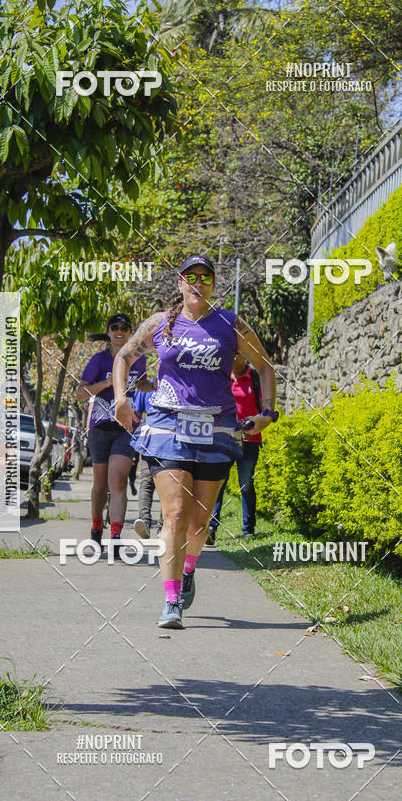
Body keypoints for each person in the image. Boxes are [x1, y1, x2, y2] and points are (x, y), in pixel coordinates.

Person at [113, 254, 278, 629]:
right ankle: (171, 601)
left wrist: (268, 412)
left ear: (213, 284)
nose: (199, 282)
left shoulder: (230, 323)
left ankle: (188, 569)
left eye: (206, 277)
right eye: (191, 276)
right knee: (174, 515)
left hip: (216, 428)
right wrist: (121, 400)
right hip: (167, 425)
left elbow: (265, 366)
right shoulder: (159, 323)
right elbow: (123, 357)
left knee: (200, 522)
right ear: (180, 283)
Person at [77, 313, 148, 554]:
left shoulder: (138, 360)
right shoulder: (98, 360)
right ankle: (96, 529)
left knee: (117, 482)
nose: (119, 331)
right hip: (100, 427)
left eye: (124, 328)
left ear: (130, 333)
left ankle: (116, 537)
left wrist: (155, 384)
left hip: (125, 427)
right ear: (108, 332)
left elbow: (141, 384)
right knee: (100, 484)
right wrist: (107, 383)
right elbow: (81, 392)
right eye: (115, 328)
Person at [207, 352, 263, 544]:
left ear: (244, 356)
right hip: (224, 438)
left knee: (246, 484)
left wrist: (256, 423)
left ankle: (248, 529)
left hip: (249, 440)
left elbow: (264, 409)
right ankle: (212, 527)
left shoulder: (254, 378)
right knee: (218, 484)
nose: (232, 356)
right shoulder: (220, 376)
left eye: (237, 353)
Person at [133, 383, 163, 540]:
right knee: (146, 482)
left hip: (170, 443)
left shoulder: (178, 383)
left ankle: (163, 527)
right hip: (148, 443)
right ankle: (144, 523)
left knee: (168, 486)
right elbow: (136, 416)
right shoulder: (145, 387)